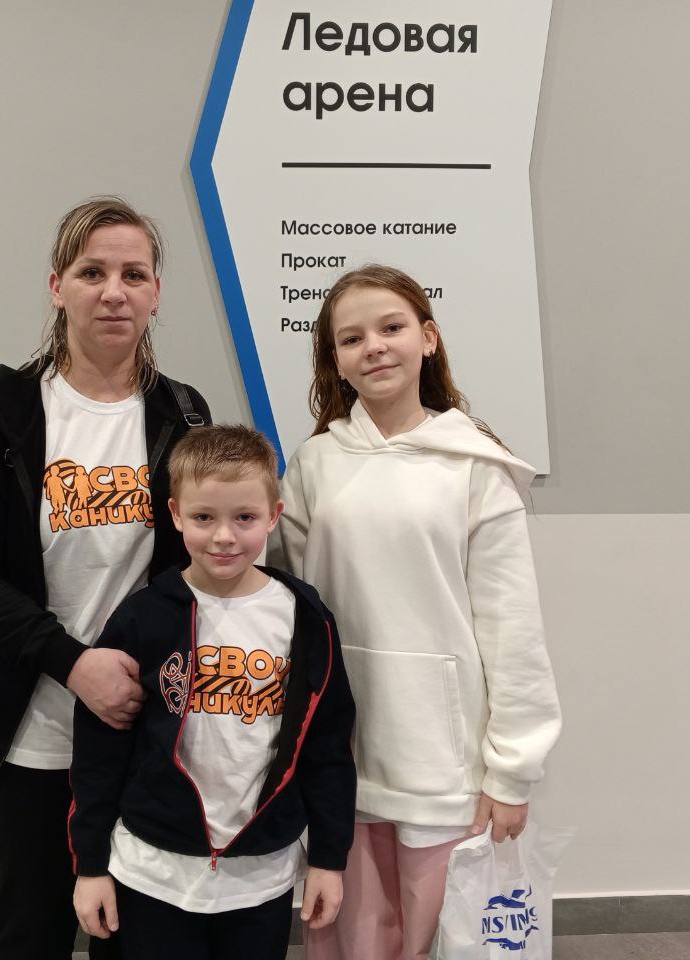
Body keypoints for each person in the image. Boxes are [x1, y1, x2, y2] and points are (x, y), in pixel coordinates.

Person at [0, 197, 212, 960]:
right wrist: (73, 664)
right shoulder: (0, 414)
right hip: (34, 728)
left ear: (156, 293)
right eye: (92, 273)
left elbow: (196, 564)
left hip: (140, 726)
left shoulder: (183, 414)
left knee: (135, 934)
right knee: (32, 929)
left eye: (133, 274)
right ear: (57, 287)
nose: (113, 292)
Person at [275, 265, 562, 960]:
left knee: (438, 940)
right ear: (335, 360)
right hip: (343, 752)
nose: (374, 346)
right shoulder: (313, 465)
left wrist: (512, 770)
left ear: (428, 339)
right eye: (352, 338)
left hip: (444, 762)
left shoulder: (475, 465)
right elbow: (291, 613)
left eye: (392, 327)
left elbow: (512, 628)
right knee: (350, 936)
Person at [69, 425, 356, 960]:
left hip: (261, 877)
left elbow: (328, 748)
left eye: (244, 517)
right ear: (175, 514)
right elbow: (99, 751)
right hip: (153, 871)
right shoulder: (143, 617)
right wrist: (90, 866)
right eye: (204, 518)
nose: (224, 536)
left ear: (274, 515)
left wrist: (329, 857)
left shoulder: (306, 618)